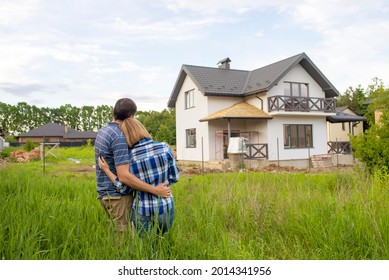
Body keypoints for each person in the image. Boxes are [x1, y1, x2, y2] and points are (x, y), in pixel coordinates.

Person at [94, 98, 171, 237]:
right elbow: (124, 176)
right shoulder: (119, 136)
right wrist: (155, 190)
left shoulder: (103, 131)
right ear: (131, 117)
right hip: (118, 196)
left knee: (117, 233)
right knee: (123, 240)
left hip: (104, 192)